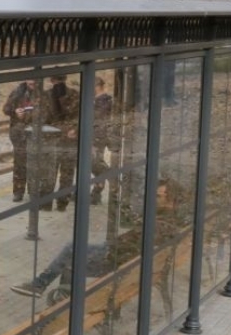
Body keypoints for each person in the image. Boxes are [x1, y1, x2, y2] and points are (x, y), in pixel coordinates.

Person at [11, 178, 180, 298]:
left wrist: (110, 249)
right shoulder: (167, 218)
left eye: (158, 196)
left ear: (170, 199)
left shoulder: (161, 225)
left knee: (70, 254)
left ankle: (43, 288)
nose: (153, 199)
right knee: (72, 250)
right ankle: (46, 288)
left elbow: (133, 249)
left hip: (115, 261)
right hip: (124, 260)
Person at [42, 74, 80, 210]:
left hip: (69, 140)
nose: (59, 83)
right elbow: (41, 117)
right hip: (52, 139)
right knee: (49, 172)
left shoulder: (74, 95)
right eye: (57, 80)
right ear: (52, 81)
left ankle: (62, 202)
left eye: (61, 80)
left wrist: (74, 129)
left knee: (67, 172)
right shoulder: (45, 96)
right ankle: (45, 203)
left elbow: (80, 115)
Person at [2, 80, 39, 203]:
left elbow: (49, 113)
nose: (32, 83)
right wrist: (15, 112)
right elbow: (6, 109)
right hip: (19, 134)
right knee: (20, 163)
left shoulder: (42, 94)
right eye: (30, 81)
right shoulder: (17, 93)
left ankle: (33, 192)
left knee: (34, 163)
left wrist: (30, 114)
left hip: (36, 134)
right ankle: (18, 192)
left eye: (34, 82)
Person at [88, 76, 113, 205]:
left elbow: (99, 120)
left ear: (96, 86)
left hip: (97, 137)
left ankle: (111, 176)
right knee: (94, 164)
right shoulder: (96, 100)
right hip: (94, 136)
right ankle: (96, 193)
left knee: (96, 164)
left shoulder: (103, 100)